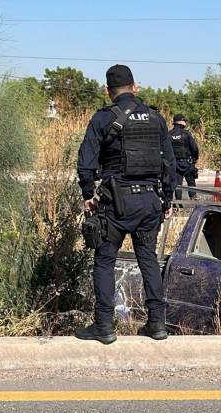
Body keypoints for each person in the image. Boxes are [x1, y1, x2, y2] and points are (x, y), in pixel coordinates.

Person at [75, 64, 176, 344]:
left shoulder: (103, 119)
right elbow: (170, 163)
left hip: (115, 203)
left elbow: (85, 164)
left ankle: (104, 326)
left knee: (105, 261)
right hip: (149, 202)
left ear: (108, 92)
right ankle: (157, 323)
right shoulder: (156, 118)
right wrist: (167, 198)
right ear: (135, 87)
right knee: (149, 260)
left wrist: (88, 194)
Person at [170, 114, 199, 200]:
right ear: (181, 121)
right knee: (191, 183)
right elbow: (194, 148)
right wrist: (195, 159)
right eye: (184, 121)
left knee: (178, 185)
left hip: (175, 163)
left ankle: (178, 205)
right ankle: (194, 202)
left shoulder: (169, 134)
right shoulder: (186, 134)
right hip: (187, 163)